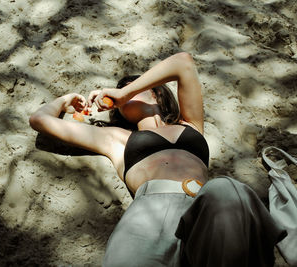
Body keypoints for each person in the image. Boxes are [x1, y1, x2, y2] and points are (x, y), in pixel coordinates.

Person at [29, 52, 286, 266]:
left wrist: (125, 91)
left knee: (226, 188)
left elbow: (183, 63)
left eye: (132, 88)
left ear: (156, 93)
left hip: (206, 206)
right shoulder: (117, 138)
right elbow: (40, 121)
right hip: (149, 212)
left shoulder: (191, 124)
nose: (122, 95)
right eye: (120, 93)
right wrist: (65, 101)